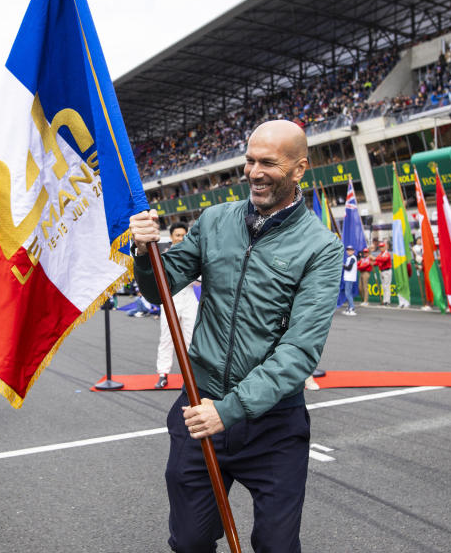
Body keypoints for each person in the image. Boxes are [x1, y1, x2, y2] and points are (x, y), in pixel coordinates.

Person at [130, 120, 342, 552]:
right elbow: (160, 289)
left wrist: (231, 409)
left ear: (300, 169)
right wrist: (144, 251)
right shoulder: (214, 220)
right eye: (249, 161)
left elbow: (300, 351)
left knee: (277, 546)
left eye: (268, 163)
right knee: (189, 541)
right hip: (199, 408)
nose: (254, 172)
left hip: (273, 425)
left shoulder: (321, 247)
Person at [154, 222, 199, 389]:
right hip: (170, 299)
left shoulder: (194, 255)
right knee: (166, 338)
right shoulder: (164, 256)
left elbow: (199, 280)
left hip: (189, 298)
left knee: (191, 338)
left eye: (183, 235)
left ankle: (191, 376)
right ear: (171, 237)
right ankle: (162, 374)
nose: (180, 238)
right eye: (177, 235)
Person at [373, 240, 393, 305]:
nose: (381, 248)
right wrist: (373, 263)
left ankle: (387, 301)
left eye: (382, 247)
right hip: (381, 271)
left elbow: (384, 259)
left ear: (385, 247)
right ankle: (385, 300)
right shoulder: (380, 254)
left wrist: (374, 258)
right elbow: (378, 262)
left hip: (387, 271)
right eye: (380, 247)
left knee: (387, 286)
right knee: (384, 286)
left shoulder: (387, 254)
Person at [341, 244, 358, 315]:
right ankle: (349, 307)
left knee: (348, 293)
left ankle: (352, 308)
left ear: (353, 251)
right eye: (348, 250)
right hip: (348, 277)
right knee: (348, 293)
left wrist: (342, 265)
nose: (349, 251)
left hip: (350, 278)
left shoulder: (353, 258)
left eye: (350, 250)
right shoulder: (349, 258)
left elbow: (349, 268)